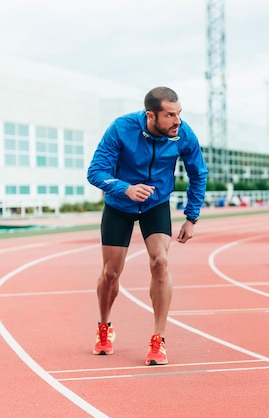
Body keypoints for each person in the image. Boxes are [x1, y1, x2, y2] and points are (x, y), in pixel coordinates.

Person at [87, 86, 208, 366]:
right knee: (111, 273)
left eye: (179, 113)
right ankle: (104, 326)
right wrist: (124, 189)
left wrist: (192, 217)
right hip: (120, 205)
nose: (177, 121)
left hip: (156, 204)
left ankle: (158, 339)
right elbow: (95, 172)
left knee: (160, 263)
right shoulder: (121, 128)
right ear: (150, 116)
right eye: (169, 115)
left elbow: (197, 173)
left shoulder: (183, 133)